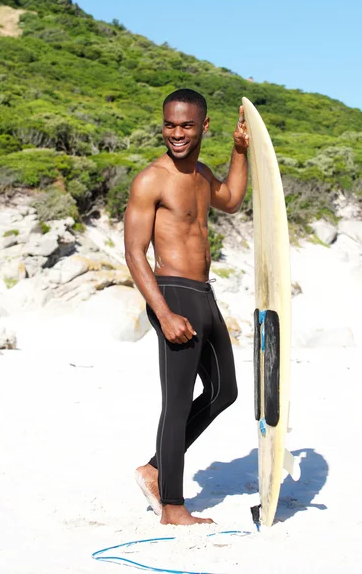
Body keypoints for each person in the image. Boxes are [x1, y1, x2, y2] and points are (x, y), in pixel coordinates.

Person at [124, 88, 249, 525]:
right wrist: (162, 312)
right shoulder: (151, 179)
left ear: (203, 126)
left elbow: (231, 200)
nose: (176, 133)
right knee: (176, 402)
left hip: (204, 294)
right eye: (169, 124)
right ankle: (173, 507)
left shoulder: (200, 175)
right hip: (173, 293)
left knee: (224, 392)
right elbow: (135, 252)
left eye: (186, 125)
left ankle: (155, 468)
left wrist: (240, 151)